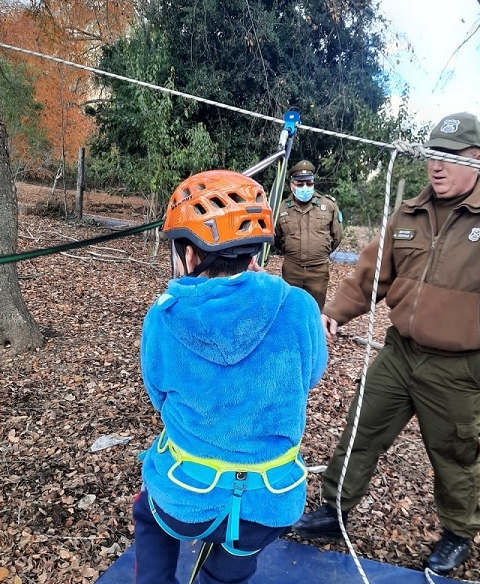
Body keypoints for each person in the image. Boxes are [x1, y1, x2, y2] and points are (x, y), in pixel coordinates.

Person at [292, 112, 480, 575]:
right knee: (360, 431)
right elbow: (372, 273)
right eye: (432, 155)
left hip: (457, 367)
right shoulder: (409, 213)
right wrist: (334, 313)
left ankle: (457, 532)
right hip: (399, 353)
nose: (437, 166)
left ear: (478, 160)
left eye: (449, 157)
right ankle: (335, 511)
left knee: (453, 453)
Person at [133, 170, 328, 584]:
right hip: (269, 502)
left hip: (186, 499)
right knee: (240, 550)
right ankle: (223, 573)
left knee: (147, 512)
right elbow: (310, 377)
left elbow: (159, 395)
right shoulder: (299, 306)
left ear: (189, 256)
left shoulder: (165, 315)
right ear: (255, 254)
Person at [275, 160, 344, 310]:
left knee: (315, 311)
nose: (305, 188)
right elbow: (276, 238)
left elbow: (337, 236)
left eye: (309, 183)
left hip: (318, 271)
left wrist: (319, 252)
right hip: (292, 269)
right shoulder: (281, 209)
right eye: (300, 184)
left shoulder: (328, 206)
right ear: (292, 185)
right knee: (290, 310)